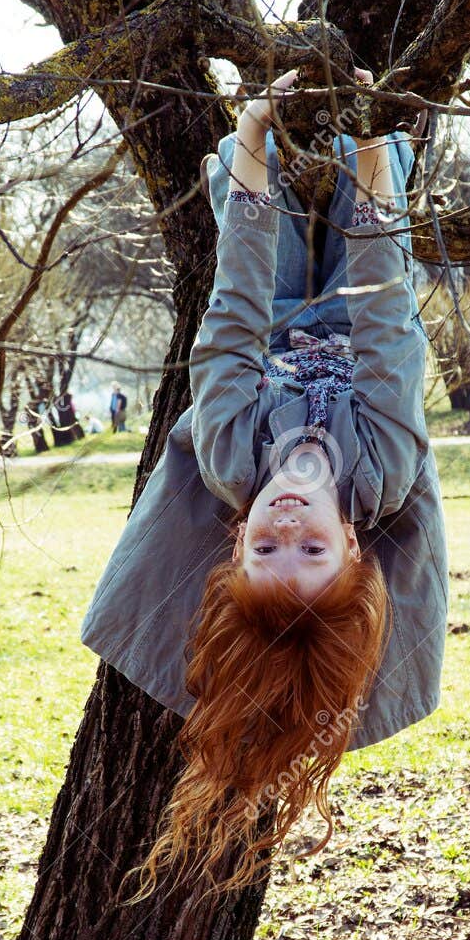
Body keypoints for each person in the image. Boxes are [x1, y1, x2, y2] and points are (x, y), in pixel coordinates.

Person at [80, 69, 448, 898]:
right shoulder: (381, 472)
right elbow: (391, 317)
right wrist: (372, 170)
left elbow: (234, 315)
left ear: (234, 538)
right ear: (354, 543)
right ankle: (366, 145)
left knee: (245, 184)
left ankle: (263, 138)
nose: (285, 518)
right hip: (360, 314)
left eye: (265, 546)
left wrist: (250, 152)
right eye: (309, 546)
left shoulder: (232, 462)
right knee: (381, 156)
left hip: (276, 305)